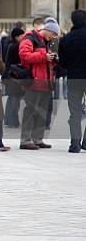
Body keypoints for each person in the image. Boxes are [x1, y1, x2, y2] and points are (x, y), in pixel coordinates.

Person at [18, 17, 59, 150]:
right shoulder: (29, 38)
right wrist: (44, 56)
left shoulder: (48, 41)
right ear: (47, 30)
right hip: (33, 81)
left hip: (46, 81)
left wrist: (53, 59)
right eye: (53, 34)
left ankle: (37, 139)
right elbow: (24, 56)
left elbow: (47, 61)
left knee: (42, 111)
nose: (54, 37)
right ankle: (25, 140)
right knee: (30, 110)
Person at [58, 9, 86, 153]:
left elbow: (62, 64)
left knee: (74, 113)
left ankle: (75, 144)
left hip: (74, 78)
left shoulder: (66, 39)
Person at [2, 28, 26, 127]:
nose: (24, 37)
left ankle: (8, 120)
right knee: (15, 99)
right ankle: (13, 121)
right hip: (14, 76)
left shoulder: (10, 44)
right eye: (22, 35)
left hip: (9, 75)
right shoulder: (16, 46)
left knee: (11, 99)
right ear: (17, 37)